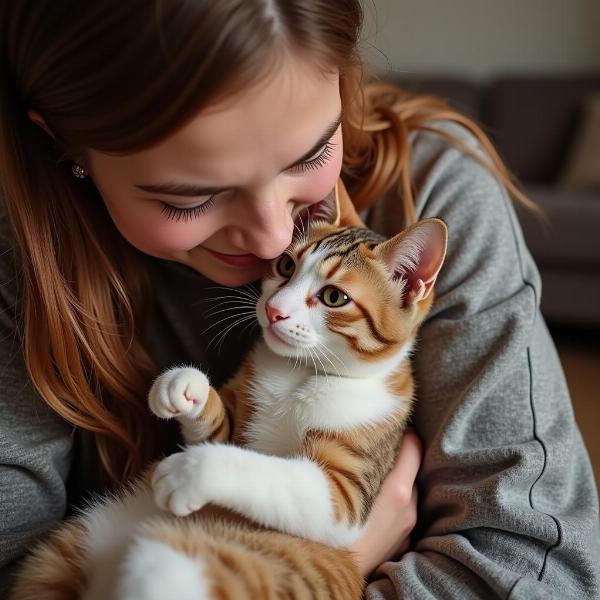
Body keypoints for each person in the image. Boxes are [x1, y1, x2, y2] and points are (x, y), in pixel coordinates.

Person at [0, 1, 598, 598]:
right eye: (188, 198)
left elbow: (542, 574)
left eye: (311, 156)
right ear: (68, 146)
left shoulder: (435, 198)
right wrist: (348, 558)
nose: (274, 242)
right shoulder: (21, 250)